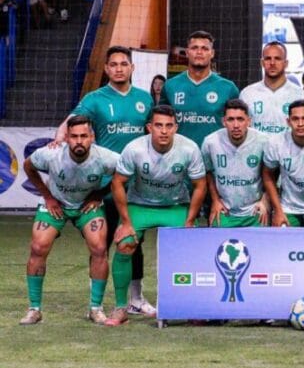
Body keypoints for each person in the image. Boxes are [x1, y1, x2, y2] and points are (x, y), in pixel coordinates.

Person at [55, 45, 155, 317]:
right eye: (114, 64)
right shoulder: (95, 99)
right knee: (100, 244)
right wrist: (59, 137)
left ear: (132, 68)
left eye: (124, 64)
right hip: (104, 187)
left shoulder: (144, 99)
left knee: (134, 242)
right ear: (106, 69)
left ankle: (136, 299)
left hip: (135, 187)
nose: (119, 68)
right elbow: (72, 121)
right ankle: (95, 304)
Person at [105, 105, 206, 326]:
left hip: (175, 206)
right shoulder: (134, 149)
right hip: (140, 205)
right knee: (124, 243)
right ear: (149, 127)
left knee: (190, 248)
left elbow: (200, 185)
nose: (164, 131)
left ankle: (190, 306)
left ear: (176, 128)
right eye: (159, 125)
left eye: (169, 126)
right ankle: (121, 307)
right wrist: (125, 222)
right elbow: (117, 183)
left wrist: (190, 220)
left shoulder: (189, 148)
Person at [20, 116, 119, 325]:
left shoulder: (106, 157)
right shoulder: (52, 154)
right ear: (66, 138)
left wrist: (99, 195)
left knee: (100, 248)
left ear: (92, 137)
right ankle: (34, 309)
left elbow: (124, 174)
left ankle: (95, 308)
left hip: (86, 206)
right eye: (74, 136)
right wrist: (47, 196)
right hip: (56, 203)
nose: (79, 141)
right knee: (38, 247)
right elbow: (28, 166)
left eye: (84, 136)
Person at [160, 30, 240, 147]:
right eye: (194, 48)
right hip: (180, 154)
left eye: (205, 48)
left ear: (212, 53)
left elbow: (237, 125)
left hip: (215, 154)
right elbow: (160, 122)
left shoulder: (228, 88)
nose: (199, 52)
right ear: (187, 52)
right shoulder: (170, 86)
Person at [201, 99, 269, 227]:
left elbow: (271, 175)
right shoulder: (210, 142)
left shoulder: (263, 142)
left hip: (255, 209)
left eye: (240, 119)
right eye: (231, 119)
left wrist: (264, 201)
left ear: (248, 121)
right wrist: (215, 200)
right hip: (225, 210)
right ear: (224, 121)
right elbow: (207, 172)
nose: (236, 125)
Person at [239, 41, 304, 134]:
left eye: (277, 58)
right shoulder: (247, 94)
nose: (272, 63)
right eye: (268, 58)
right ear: (262, 63)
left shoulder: (301, 96)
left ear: (286, 63)